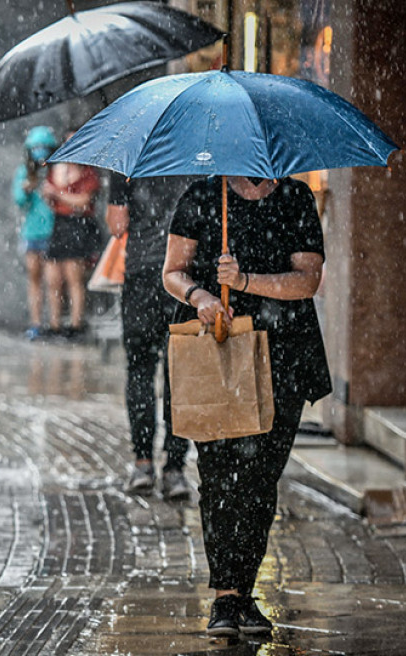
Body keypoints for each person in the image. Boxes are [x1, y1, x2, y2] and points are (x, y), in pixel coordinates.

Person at [162, 175, 330, 637]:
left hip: (284, 359)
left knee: (260, 479)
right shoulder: (201, 196)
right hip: (218, 354)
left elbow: (307, 280)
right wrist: (201, 296)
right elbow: (173, 272)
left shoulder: (296, 197)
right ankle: (225, 597)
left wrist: (245, 281)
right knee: (218, 476)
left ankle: (244, 589)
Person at [105, 172, 191, 499]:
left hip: (141, 276)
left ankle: (142, 463)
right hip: (184, 279)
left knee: (140, 369)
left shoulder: (129, 161)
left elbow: (116, 226)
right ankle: (175, 469)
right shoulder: (197, 154)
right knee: (179, 374)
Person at [41, 134, 101, 338]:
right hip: (60, 224)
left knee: (73, 276)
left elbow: (83, 202)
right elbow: (53, 198)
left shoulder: (87, 173)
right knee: (53, 277)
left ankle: (76, 323)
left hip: (78, 226)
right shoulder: (57, 170)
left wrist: (59, 194)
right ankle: (54, 323)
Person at [11, 126, 57, 340]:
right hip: (32, 232)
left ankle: (54, 323)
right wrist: (26, 189)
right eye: (36, 147)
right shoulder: (24, 171)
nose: (40, 151)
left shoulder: (55, 171)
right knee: (34, 279)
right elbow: (19, 200)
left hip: (52, 230)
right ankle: (36, 322)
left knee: (52, 280)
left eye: (44, 147)